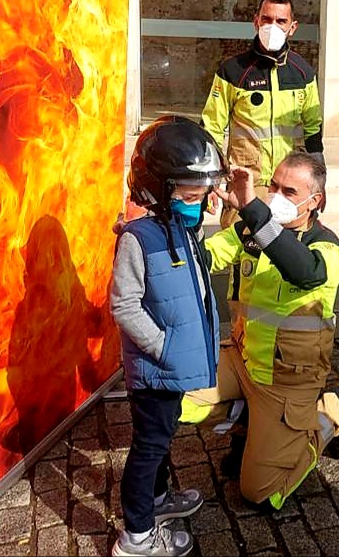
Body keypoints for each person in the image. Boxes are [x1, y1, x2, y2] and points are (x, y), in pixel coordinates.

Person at [181, 151, 339, 512]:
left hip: (287, 380)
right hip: (241, 360)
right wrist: (191, 208)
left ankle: (332, 412)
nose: (277, 196)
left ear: (315, 201)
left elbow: (302, 271)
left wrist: (253, 210)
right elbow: (203, 257)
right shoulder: (249, 229)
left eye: (289, 191)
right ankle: (251, 424)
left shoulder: (326, 247)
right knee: (172, 401)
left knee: (259, 493)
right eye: (274, 186)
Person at [110, 116, 228, 557]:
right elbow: (124, 305)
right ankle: (137, 536)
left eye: (202, 193)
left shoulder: (182, 229)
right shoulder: (138, 239)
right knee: (148, 446)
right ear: (159, 188)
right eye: (190, 193)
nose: (199, 202)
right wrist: (162, 348)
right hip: (155, 368)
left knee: (161, 438)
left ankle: (157, 501)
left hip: (170, 368)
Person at [201, 0, 324, 229]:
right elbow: (211, 128)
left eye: (281, 21)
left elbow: (313, 130)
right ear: (256, 21)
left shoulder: (303, 73)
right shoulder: (233, 71)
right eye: (267, 20)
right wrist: (209, 182)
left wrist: (320, 183)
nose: (272, 26)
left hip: (290, 187)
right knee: (242, 253)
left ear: (293, 27)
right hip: (246, 183)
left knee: (286, 257)